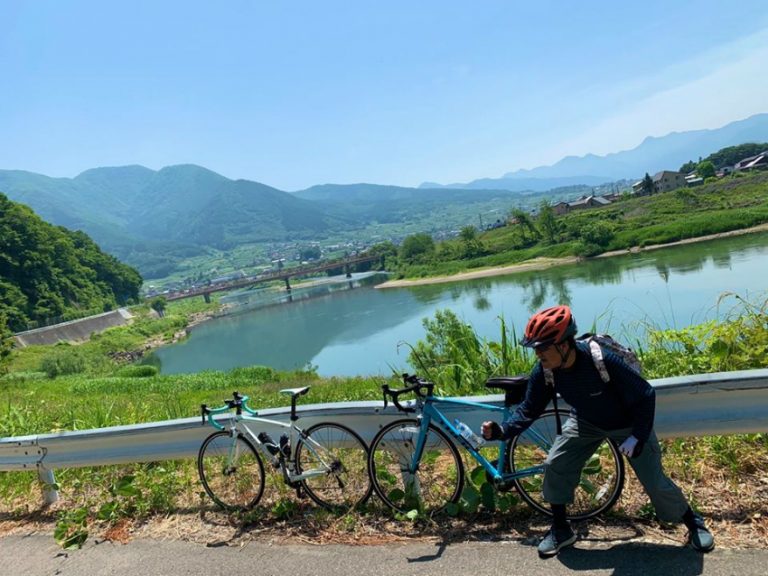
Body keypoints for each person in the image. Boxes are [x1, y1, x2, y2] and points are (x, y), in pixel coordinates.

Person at [481, 304, 714, 557]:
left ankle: (693, 523)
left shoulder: (602, 359)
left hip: (627, 423)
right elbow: (529, 409)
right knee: (555, 464)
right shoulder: (545, 370)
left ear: (564, 344)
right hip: (586, 422)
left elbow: (645, 394)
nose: (538, 354)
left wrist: (638, 435)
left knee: (654, 480)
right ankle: (561, 530)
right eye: (535, 348)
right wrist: (502, 431)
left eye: (543, 347)